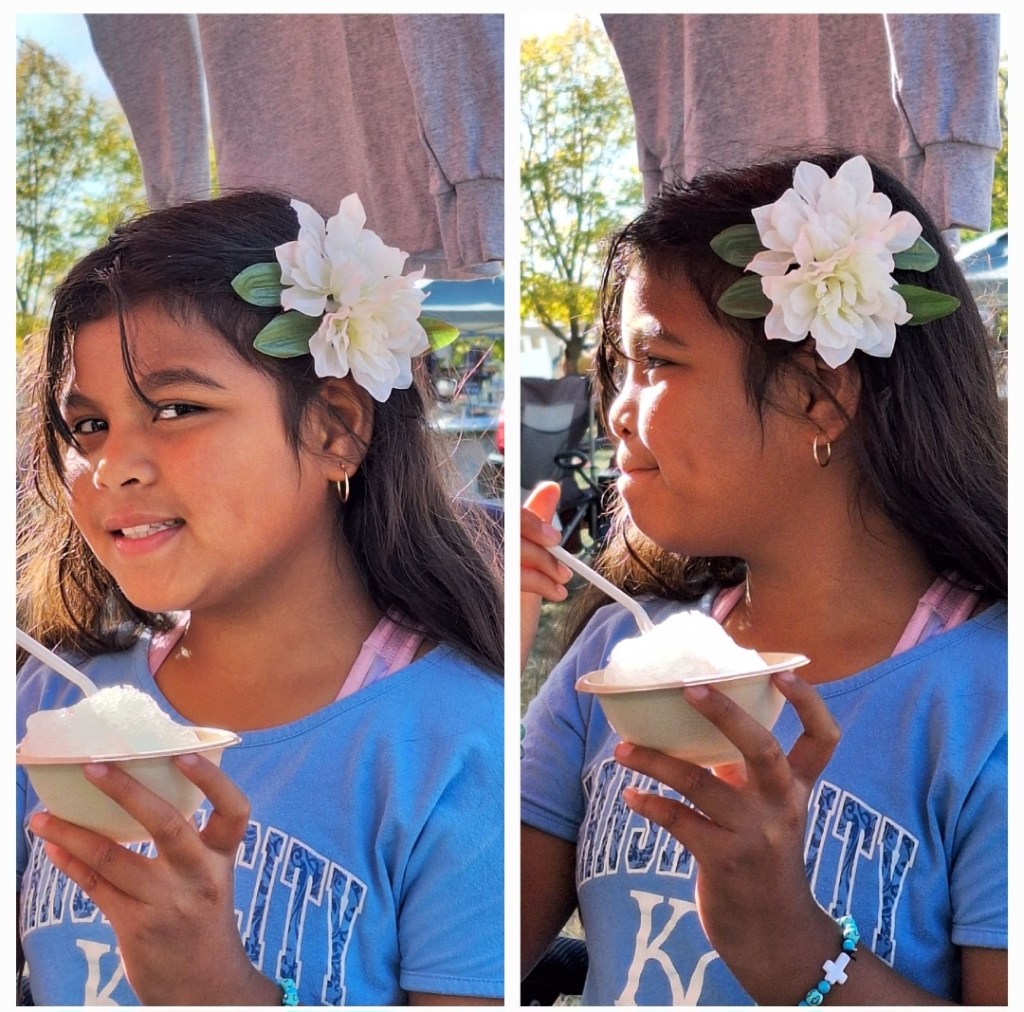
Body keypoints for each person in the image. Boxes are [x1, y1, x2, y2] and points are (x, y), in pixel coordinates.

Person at [520, 153, 1006, 1005]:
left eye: (657, 362)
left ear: (821, 396)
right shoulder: (615, 653)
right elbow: (457, 962)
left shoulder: (991, 701)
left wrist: (793, 947)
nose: (616, 410)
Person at [16, 192, 504, 1006]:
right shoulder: (43, 704)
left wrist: (218, 991)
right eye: (88, 426)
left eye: (175, 408)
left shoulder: (454, 745)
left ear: (335, 428)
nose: (111, 468)